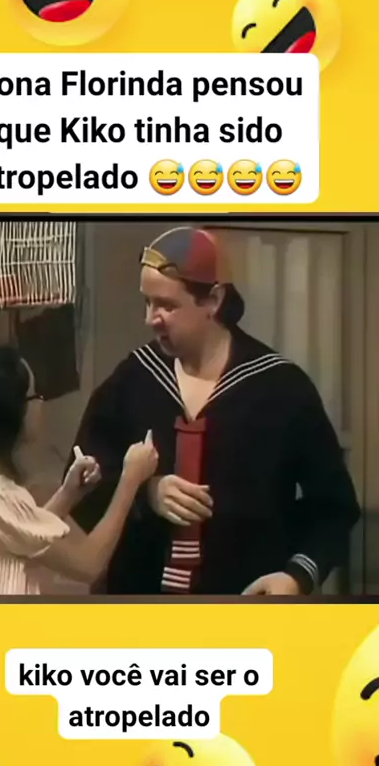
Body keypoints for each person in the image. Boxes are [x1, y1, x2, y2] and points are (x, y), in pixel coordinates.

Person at [66, 226, 361, 596]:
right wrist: (145, 493)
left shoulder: (281, 388)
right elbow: (80, 480)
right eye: (148, 303)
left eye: (167, 305)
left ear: (213, 300)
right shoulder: (133, 378)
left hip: (243, 607)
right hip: (138, 605)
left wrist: (296, 576)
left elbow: (335, 508)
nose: (151, 319)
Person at [0, 346, 158, 595]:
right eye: (35, 395)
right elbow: (88, 564)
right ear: (10, 412)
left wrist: (69, 493)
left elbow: (20, 533)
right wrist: (131, 479)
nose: (41, 404)